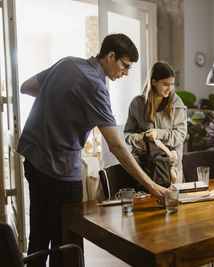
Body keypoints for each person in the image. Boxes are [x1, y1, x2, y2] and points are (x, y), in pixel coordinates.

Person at [17, 33, 167, 267]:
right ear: (110, 56)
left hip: (33, 159)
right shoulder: (96, 87)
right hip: (61, 171)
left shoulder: (67, 62)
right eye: (124, 66)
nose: (126, 73)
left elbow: (26, 87)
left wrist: (59, 102)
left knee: (38, 235)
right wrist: (153, 186)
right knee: (66, 245)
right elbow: (116, 145)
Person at [124, 61, 187, 183]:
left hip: (172, 170)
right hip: (145, 170)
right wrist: (135, 138)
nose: (170, 89)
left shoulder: (177, 104)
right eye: (165, 84)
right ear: (153, 82)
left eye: (172, 84)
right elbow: (127, 133)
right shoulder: (137, 104)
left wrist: (159, 133)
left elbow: (181, 135)